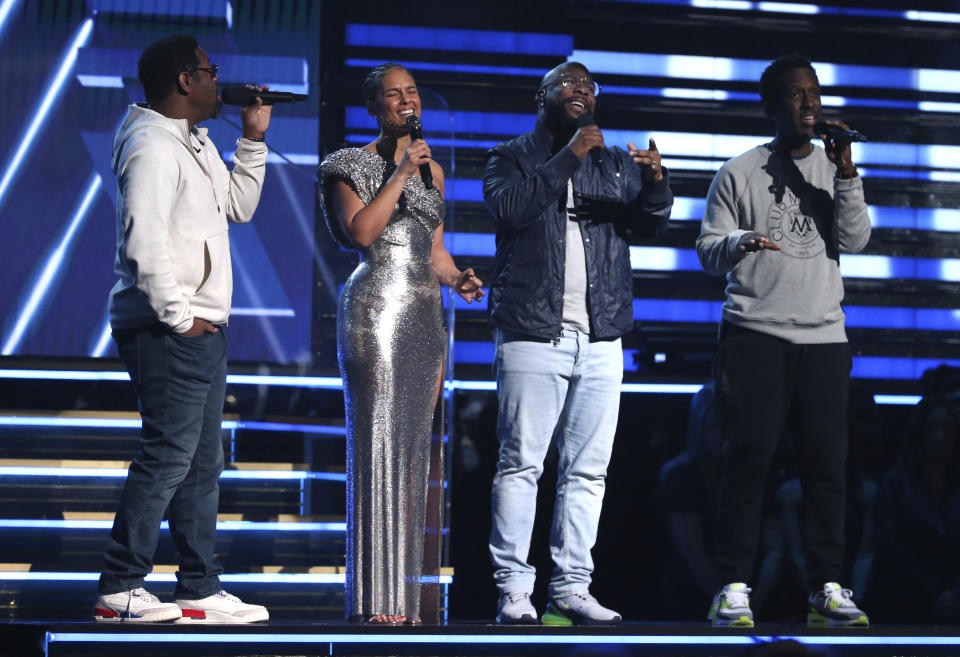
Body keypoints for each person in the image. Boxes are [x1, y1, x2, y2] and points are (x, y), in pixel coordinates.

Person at [483, 61, 673, 625]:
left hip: (600, 333)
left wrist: (659, 182)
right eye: (568, 83)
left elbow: (653, 223)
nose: (581, 90)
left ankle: (570, 587)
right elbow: (510, 208)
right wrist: (569, 157)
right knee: (521, 465)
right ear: (541, 96)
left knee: (588, 471)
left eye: (589, 86)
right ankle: (515, 590)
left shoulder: (616, 162)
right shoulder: (511, 156)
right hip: (531, 331)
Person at [94, 34, 272, 623]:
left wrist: (252, 139)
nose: (219, 81)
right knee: (169, 455)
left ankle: (197, 588)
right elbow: (142, 242)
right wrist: (178, 317)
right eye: (210, 71)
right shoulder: (151, 145)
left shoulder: (194, 142)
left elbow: (239, 207)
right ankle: (121, 585)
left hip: (200, 326)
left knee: (200, 463)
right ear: (184, 81)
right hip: (170, 328)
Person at [696, 54, 871, 629]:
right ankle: (733, 585)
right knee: (748, 461)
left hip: (824, 334)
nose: (808, 104)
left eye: (814, 93)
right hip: (755, 334)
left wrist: (845, 175)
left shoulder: (835, 168)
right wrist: (741, 241)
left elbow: (856, 237)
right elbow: (707, 247)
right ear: (772, 107)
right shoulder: (740, 171)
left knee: (827, 466)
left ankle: (827, 586)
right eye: (795, 95)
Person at [318, 63, 484, 625]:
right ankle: (371, 601)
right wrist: (398, 173)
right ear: (375, 108)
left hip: (423, 316)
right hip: (375, 311)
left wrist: (458, 277)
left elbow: (432, 252)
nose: (406, 102)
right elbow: (361, 233)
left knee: (413, 451)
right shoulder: (347, 164)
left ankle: (403, 603)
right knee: (377, 446)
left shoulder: (433, 170)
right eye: (394, 95)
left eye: (411, 92)